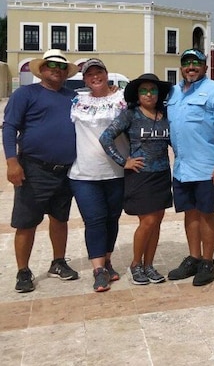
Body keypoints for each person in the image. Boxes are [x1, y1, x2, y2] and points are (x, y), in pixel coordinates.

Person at [2, 50, 81, 293]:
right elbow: (9, 127)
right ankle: (23, 271)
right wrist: (12, 162)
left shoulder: (73, 97)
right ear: (42, 69)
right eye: (51, 65)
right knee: (26, 222)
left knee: (60, 219)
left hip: (65, 171)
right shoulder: (26, 94)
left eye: (61, 66)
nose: (56, 69)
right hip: (34, 169)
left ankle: (58, 262)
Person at [166, 48, 214, 286]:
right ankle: (193, 258)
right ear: (181, 67)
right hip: (182, 167)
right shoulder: (174, 92)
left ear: (205, 67)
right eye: (186, 63)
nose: (191, 67)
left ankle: (208, 262)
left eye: (196, 63)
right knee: (190, 212)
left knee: (206, 213)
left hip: (207, 167)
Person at [100, 73, 172, 285]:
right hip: (141, 176)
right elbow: (105, 138)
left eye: (153, 90)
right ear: (137, 95)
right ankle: (135, 264)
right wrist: (124, 162)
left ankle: (149, 264)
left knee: (157, 222)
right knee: (147, 221)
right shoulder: (130, 115)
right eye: (144, 90)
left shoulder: (164, 114)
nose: (149, 94)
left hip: (162, 174)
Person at [69, 58, 128, 292]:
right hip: (84, 173)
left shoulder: (121, 99)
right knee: (94, 220)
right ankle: (98, 270)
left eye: (99, 72)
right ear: (84, 78)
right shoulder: (75, 100)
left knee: (112, 219)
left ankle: (108, 260)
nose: (95, 77)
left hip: (117, 172)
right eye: (89, 74)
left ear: (106, 73)